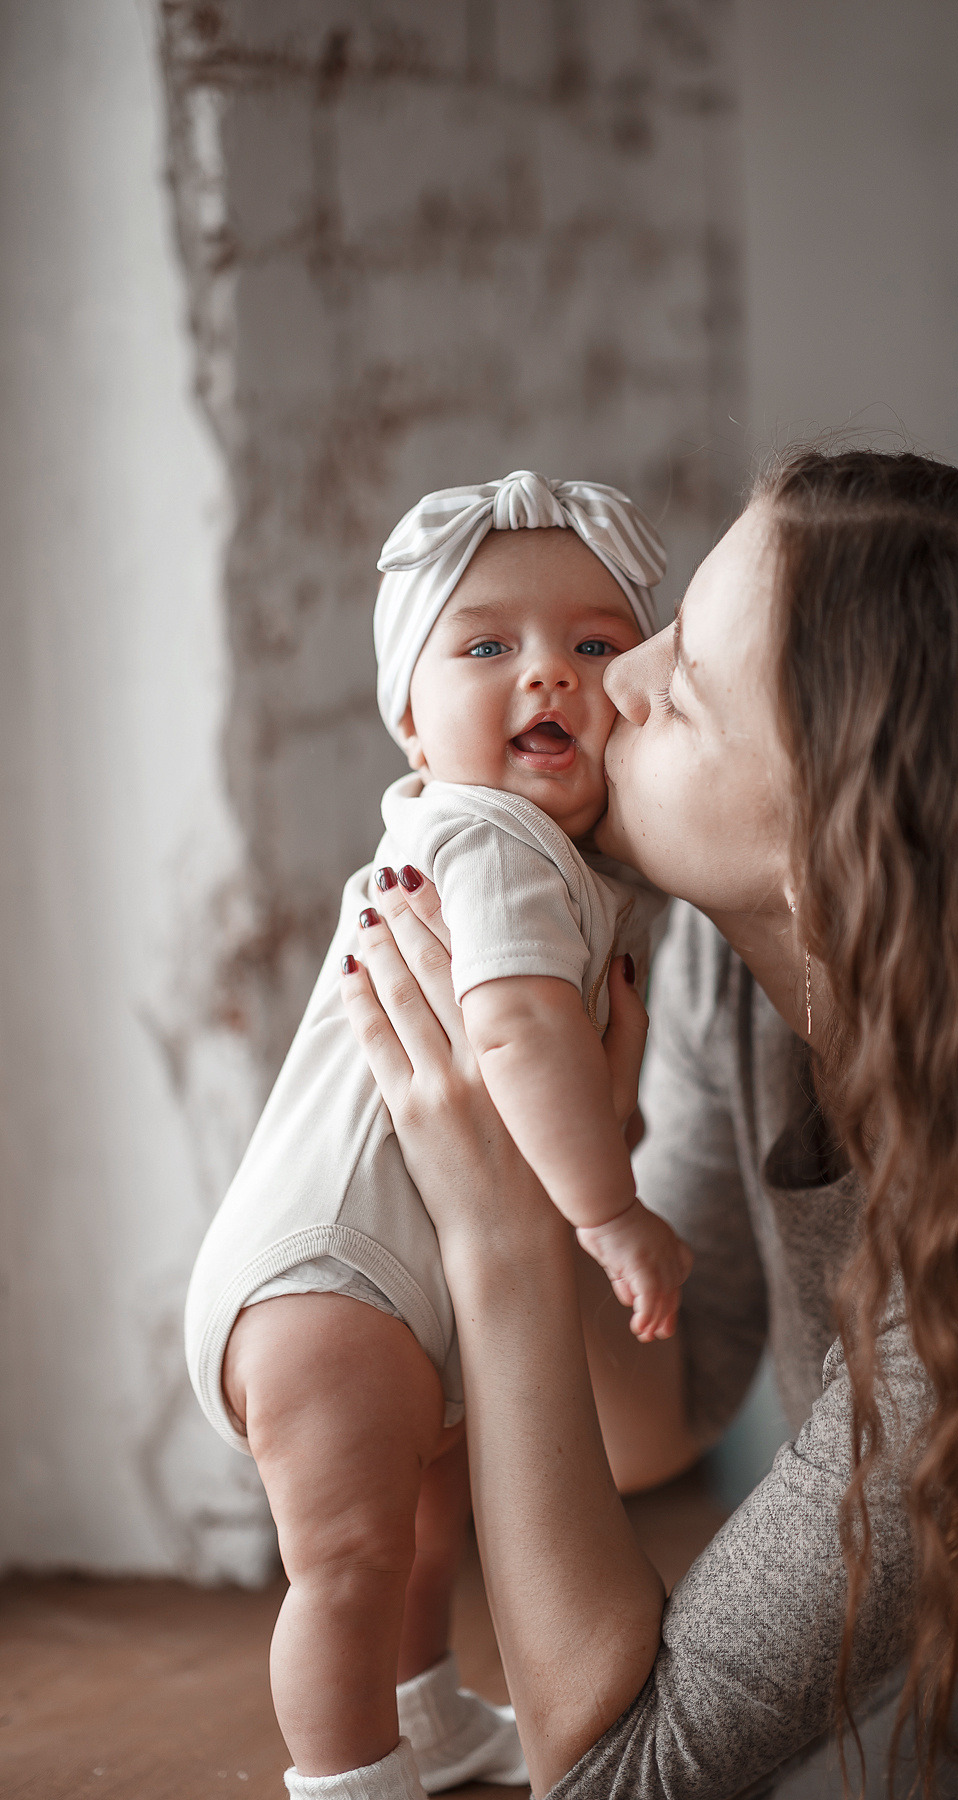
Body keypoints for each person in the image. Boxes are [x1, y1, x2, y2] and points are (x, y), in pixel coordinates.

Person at [338, 450, 958, 1800]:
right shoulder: (722, 976)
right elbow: (651, 1418)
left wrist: (498, 1229)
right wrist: (575, 1174)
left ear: (840, 854)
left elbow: (612, 1776)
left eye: (678, 691)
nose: (613, 679)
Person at [184, 471, 692, 1797]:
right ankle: (344, 1774)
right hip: (335, 1280)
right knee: (348, 1560)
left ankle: (426, 1713)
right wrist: (609, 1212)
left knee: (420, 1533)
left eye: (595, 644)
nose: (550, 677)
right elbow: (518, 1035)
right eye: (488, 647)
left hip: (365, 1282)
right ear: (411, 721)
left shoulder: (529, 852)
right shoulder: (494, 838)